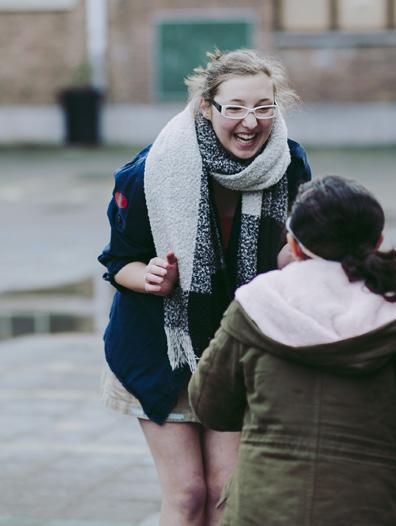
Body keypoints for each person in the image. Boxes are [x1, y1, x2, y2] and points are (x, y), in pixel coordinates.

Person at [188, 175, 396, 526]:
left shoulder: (256, 305)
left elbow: (210, 405)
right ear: (377, 242)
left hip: (263, 509)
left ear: (295, 245)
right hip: (367, 509)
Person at [97, 48, 311, 526]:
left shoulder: (289, 164)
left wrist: (308, 259)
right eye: (234, 107)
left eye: (263, 107)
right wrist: (149, 277)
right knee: (188, 494)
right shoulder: (149, 173)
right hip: (160, 348)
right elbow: (117, 262)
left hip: (238, 347)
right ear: (206, 107)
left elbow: (281, 254)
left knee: (225, 494)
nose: (250, 121)